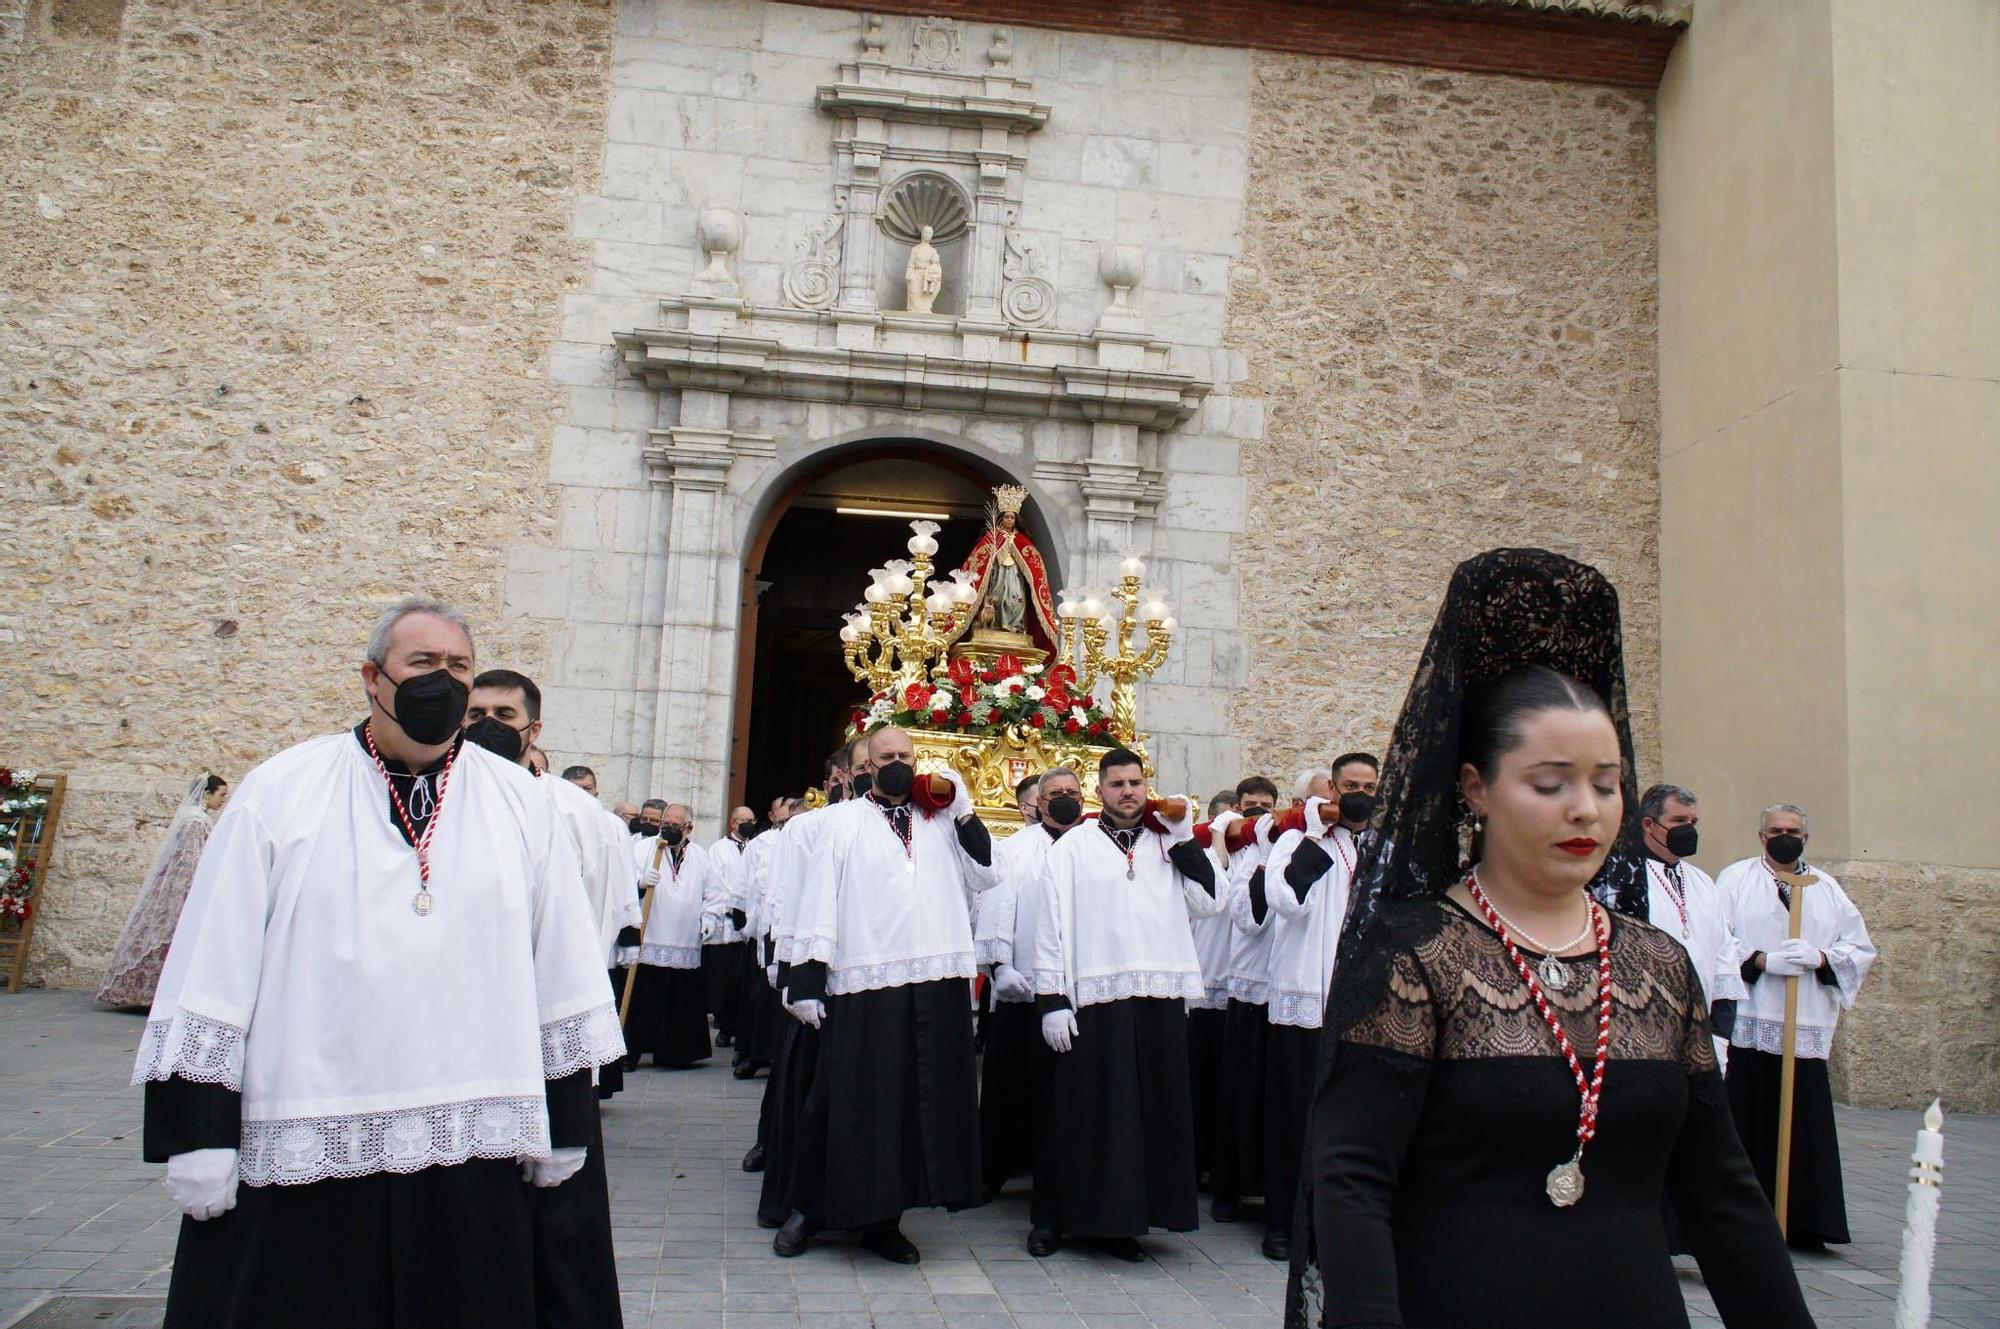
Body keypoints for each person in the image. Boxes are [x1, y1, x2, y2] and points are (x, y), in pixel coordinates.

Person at [1284, 549, 1813, 1329]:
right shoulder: (1415, 954)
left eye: (1606, 783)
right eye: (1550, 782)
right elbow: (1353, 1181)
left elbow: (1721, 1190)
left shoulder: (1659, 966)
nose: (1587, 811)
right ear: (1474, 788)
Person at [134, 597, 623, 1329]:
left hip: (473, 1138)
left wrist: (568, 1122)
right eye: (422, 664)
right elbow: (215, 960)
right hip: (312, 1127)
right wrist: (198, 1133)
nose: (445, 682)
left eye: (458, 665)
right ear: (372, 676)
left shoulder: (523, 804)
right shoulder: (282, 789)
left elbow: (561, 965)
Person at [775, 727, 994, 1263]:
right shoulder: (839, 822)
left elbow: (986, 872)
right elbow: (817, 897)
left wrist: (964, 810)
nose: (898, 763)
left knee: (913, 1103)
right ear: (865, 766)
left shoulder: (940, 820)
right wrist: (806, 980)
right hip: (863, 976)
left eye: (906, 757)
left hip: (935, 976)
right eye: (887, 757)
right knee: (843, 1099)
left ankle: (885, 1221)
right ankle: (811, 1207)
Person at [464, 667, 628, 1329]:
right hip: (474, 1031)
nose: (486, 724)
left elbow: (600, 906)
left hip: (548, 1020)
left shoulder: (573, 811)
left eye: (503, 712)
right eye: (476, 709)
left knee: (559, 1207)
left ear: (534, 728)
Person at [1028, 749, 1220, 1260]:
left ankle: (1123, 1221)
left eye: (1135, 782)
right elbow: (1050, 926)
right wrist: (1052, 1000)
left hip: (1157, 992)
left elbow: (1211, 902)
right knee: (1081, 1111)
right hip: (1093, 994)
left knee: (1145, 1114)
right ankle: (1054, 1218)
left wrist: (1183, 840)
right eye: (1117, 784)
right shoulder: (1072, 848)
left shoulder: (1168, 842)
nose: (1128, 791)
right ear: (1100, 790)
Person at [1718, 803, 1876, 1252]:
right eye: (1774, 830)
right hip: (1754, 1017)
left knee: (1803, 1121)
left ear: (1805, 838)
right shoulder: (1736, 879)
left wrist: (1822, 959)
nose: (1783, 837)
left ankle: (1806, 1221)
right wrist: (1762, 960)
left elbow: (1859, 946)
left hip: (1803, 1018)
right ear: (1760, 836)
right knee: (1748, 1116)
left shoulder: (1826, 888)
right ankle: (1744, 1220)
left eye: (1792, 831)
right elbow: (1719, 938)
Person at [1258, 752, 1377, 1261]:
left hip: (1362, 1004)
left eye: (1370, 787)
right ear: (1331, 788)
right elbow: (1286, 902)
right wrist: (1313, 834)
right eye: (1351, 785)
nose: (1360, 795)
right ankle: (1284, 1223)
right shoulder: (1293, 842)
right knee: (1295, 1120)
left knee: (1353, 1125)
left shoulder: (1383, 848)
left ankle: (1343, 1225)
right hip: (1304, 997)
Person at [754, 741, 865, 1219]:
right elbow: (783, 894)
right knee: (800, 1082)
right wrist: (785, 969)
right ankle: (786, 1177)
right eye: (860, 768)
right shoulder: (808, 827)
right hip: (810, 970)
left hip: (863, 977)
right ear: (837, 777)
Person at [973, 765, 1083, 1200]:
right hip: (1025, 985)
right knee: (1010, 1082)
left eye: (1071, 791)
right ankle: (993, 1170)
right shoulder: (1015, 849)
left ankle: (1057, 1170)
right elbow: (997, 906)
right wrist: (1000, 966)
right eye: (1054, 792)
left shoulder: (1092, 845)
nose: (1063, 799)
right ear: (1038, 802)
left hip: (1076, 986)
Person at [1211, 775, 1281, 1225]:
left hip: (1291, 989)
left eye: (1265, 805)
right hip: (1249, 984)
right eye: (1250, 804)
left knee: (1280, 1101)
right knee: (1240, 1093)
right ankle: (1229, 1189)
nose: (1257, 810)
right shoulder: (1241, 852)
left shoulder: (1291, 846)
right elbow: (1247, 919)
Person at [97, 774, 229, 1008]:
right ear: (206, 795)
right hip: (180, 885)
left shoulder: (197, 818)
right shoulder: (195, 821)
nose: (223, 801)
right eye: (221, 795)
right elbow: (189, 859)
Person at [1639, 783, 1740, 1066]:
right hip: (1648, 1028)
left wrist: (1720, 1029)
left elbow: (1724, 953)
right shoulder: (1629, 879)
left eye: (1692, 821)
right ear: (1649, 824)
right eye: (1678, 821)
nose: (1689, 829)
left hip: (1703, 1026)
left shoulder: (1702, 881)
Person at [623, 804, 722, 1069]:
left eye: (675, 825)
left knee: (680, 997)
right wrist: (640, 883)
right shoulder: (645, 850)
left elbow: (713, 893)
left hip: (685, 937)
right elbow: (624, 880)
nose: (667, 828)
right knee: (645, 998)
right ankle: (632, 1051)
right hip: (652, 933)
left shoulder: (700, 856)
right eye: (665, 823)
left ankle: (675, 1052)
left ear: (688, 827)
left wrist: (710, 918)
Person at [705, 806, 758, 1057]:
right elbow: (717, 883)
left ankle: (737, 1025)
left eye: (750, 820)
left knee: (741, 980)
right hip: (726, 924)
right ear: (732, 823)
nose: (746, 824)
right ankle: (724, 1025)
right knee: (724, 979)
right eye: (742, 820)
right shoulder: (719, 850)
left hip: (747, 926)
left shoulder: (756, 847)